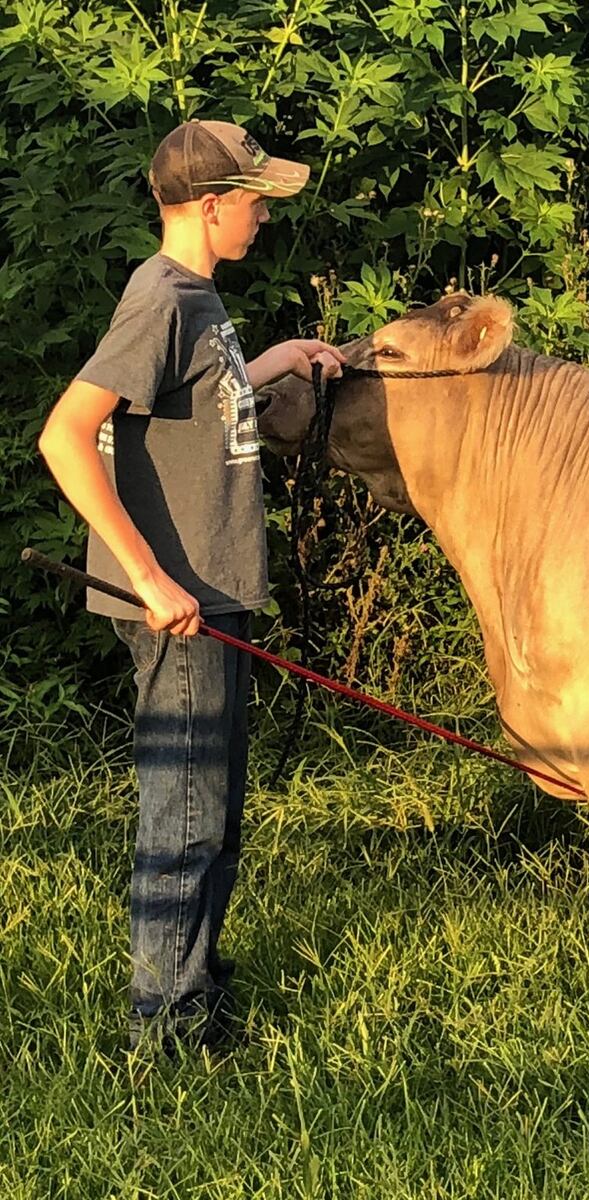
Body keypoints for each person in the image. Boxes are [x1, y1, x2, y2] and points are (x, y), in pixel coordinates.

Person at [36, 119, 347, 1054]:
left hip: (214, 594)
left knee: (215, 813)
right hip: (178, 606)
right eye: (255, 202)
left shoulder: (197, 300)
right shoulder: (160, 299)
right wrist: (148, 578)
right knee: (183, 817)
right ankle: (164, 1033)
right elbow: (65, 435)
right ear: (212, 208)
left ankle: (197, 991)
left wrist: (279, 359)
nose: (262, 217)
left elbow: (193, 409)